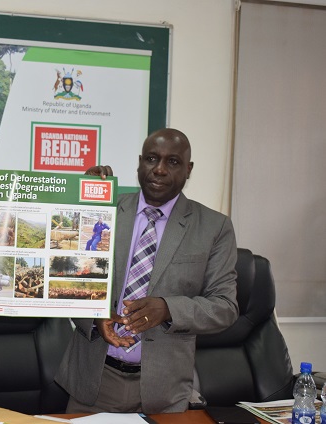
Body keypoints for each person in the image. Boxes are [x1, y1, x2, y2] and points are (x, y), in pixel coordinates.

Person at [55, 128, 239, 414]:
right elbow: (65, 277)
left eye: (173, 162)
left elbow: (225, 307)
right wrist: (82, 199)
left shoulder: (214, 227)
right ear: (140, 162)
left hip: (165, 392)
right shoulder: (107, 209)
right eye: (152, 159)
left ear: (189, 170)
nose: (160, 170)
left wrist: (168, 309)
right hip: (95, 380)